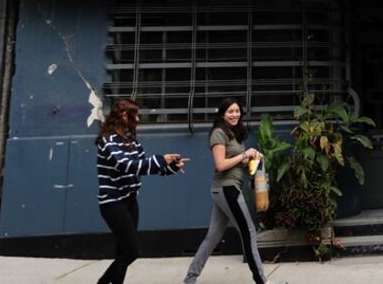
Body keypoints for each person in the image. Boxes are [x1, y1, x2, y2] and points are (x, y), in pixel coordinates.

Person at [184, 98, 282, 284]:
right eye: (230, 111)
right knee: (249, 232)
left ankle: (190, 278)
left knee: (212, 237)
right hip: (227, 189)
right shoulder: (218, 134)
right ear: (222, 114)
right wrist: (245, 154)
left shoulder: (233, 134)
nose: (235, 114)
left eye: (237, 111)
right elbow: (220, 165)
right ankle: (262, 280)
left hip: (225, 189)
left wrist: (252, 160)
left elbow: (236, 163)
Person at [96, 98, 187, 284]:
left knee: (122, 251)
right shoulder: (107, 141)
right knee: (132, 251)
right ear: (123, 115)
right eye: (134, 115)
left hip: (130, 200)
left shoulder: (131, 141)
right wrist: (162, 159)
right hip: (112, 203)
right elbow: (127, 165)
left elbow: (143, 167)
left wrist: (171, 167)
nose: (137, 119)